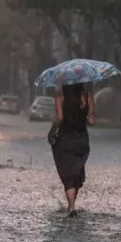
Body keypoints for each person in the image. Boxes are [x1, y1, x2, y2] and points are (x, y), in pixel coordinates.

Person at [48, 83, 95, 217]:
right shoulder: (88, 97)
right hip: (82, 141)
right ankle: (72, 205)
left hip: (65, 140)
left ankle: (71, 207)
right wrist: (84, 116)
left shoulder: (60, 98)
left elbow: (59, 119)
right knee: (76, 173)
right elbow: (92, 121)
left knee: (68, 174)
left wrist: (51, 133)